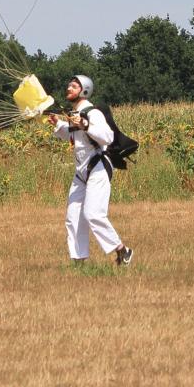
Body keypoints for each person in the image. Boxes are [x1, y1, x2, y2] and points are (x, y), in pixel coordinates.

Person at [47, 75, 133, 266]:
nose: (69, 88)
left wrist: (85, 125)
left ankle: (122, 250)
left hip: (98, 167)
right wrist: (58, 124)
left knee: (93, 214)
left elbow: (107, 137)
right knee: (73, 217)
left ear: (84, 90)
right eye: (69, 85)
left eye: (74, 86)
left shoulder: (93, 113)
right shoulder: (74, 114)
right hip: (81, 172)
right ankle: (79, 261)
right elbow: (73, 136)